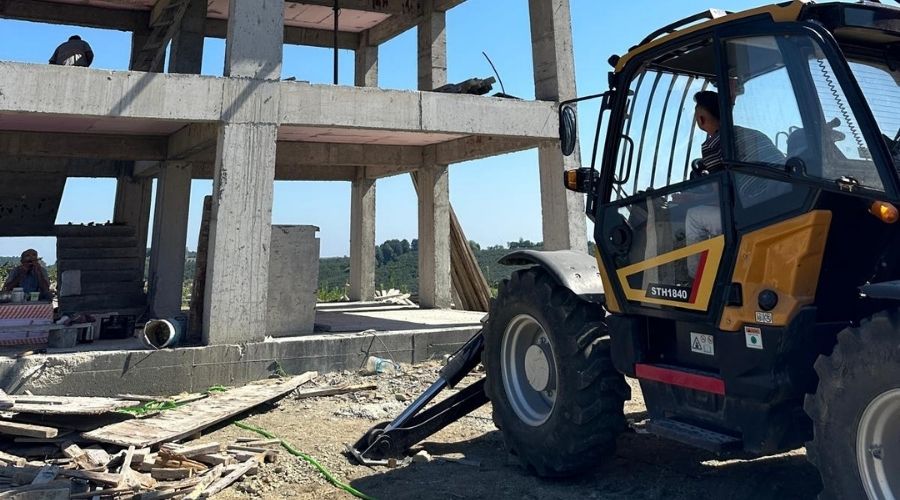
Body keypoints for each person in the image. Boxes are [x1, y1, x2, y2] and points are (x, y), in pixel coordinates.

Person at [684, 90, 786, 276]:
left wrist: (691, 199)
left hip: (754, 210)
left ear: (701, 119)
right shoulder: (752, 133)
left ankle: (695, 279)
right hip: (780, 200)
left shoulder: (713, 144)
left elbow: (723, 195)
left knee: (693, 216)